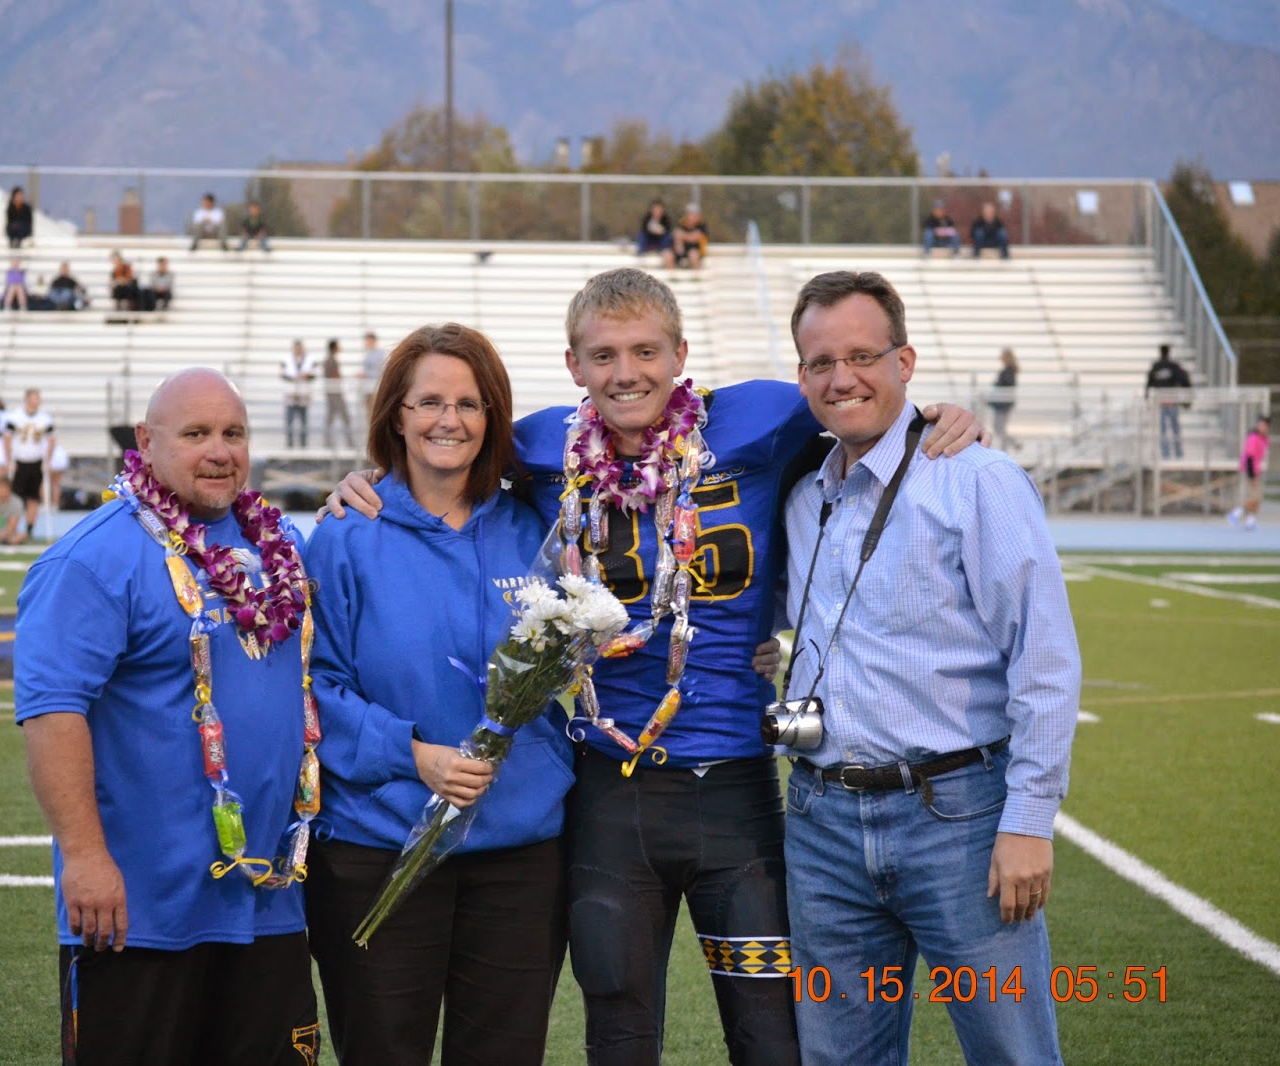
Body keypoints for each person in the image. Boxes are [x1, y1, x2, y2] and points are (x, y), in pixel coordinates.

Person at [328, 267, 984, 1065]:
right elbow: (441, 455)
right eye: (603, 355)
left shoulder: (758, 421)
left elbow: (855, 407)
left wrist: (936, 418)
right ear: (574, 368)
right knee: (620, 1027)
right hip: (615, 790)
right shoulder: (540, 447)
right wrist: (362, 484)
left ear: (681, 353)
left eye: (645, 351)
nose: (626, 372)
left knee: (772, 1032)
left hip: (737, 785)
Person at [778, 269, 1080, 1065]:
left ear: (905, 362)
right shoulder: (804, 493)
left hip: (958, 817)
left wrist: (1028, 821)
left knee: (1012, 1052)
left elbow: (1044, 661)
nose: (842, 378)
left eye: (862, 356)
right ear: (800, 375)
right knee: (839, 1059)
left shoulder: (976, 479)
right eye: (820, 363)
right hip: (822, 824)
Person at [15, 367, 318, 1065]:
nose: (220, 451)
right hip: (140, 909)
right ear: (145, 444)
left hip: (268, 896)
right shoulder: (93, 558)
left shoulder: (278, 548)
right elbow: (52, 713)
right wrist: (86, 860)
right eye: (196, 434)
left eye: (233, 433)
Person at [304, 323, 570, 1066]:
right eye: (429, 402)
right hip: (378, 844)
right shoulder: (343, 534)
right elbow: (311, 686)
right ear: (396, 414)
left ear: (493, 420)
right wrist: (411, 754)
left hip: (521, 851)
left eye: (470, 404)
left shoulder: (537, 530)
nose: (449, 420)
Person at [0, 388, 55, 535]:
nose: (37, 400)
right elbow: (7, 438)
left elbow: (51, 440)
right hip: (19, 461)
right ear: (27, 399)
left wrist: (48, 460)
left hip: (36, 461)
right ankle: (13, 528)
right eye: (34, 397)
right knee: (16, 498)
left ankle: (29, 530)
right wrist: (8, 460)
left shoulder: (45, 419)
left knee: (33, 497)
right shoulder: (15, 417)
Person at [1146, 342, 1192, 459]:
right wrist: (1188, 398)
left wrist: (1147, 397)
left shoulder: (1158, 367)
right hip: (1168, 402)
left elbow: (1149, 384)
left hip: (1165, 402)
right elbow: (1185, 381)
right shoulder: (1170, 366)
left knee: (1166, 429)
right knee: (1172, 428)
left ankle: (1169, 453)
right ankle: (1176, 453)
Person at [1228, 415, 1272, 530]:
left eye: (1265, 426)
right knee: (1253, 497)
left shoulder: (1264, 439)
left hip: (1256, 469)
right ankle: (1236, 514)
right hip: (1250, 469)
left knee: (1256, 498)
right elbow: (1249, 457)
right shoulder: (1253, 437)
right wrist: (1251, 475)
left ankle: (1249, 520)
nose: (1262, 427)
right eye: (1261, 425)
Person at [281, 340, 316, 449]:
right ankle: (290, 446)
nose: (298, 351)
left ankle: (303, 447)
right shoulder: (287, 360)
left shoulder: (310, 360)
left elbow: (314, 375)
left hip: (303, 396)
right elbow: (282, 374)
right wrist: (294, 377)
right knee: (290, 423)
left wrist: (305, 375)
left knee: (304, 424)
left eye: (300, 348)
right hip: (291, 396)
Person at [320, 338, 352, 450]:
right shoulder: (330, 360)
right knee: (344, 417)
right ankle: (348, 443)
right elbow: (334, 376)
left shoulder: (330, 359)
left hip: (333, 393)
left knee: (332, 418)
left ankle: (329, 443)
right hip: (335, 394)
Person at [990, 346, 1018, 447]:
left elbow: (1006, 384)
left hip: (1003, 403)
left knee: (999, 427)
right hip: (1003, 402)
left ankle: (1012, 444)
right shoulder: (1009, 370)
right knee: (999, 428)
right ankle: (1011, 444)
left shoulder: (1009, 371)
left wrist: (997, 384)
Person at [668, 202, 709, 269]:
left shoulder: (702, 225)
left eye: (693, 214)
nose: (690, 216)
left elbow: (695, 237)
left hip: (696, 251)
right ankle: (672, 276)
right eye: (689, 213)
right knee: (668, 254)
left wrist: (682, 236)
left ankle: (696, 277)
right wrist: (683, 237)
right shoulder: (682, 223)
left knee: (693, 254)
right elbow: (676, 234)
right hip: (682, 250)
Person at [359, 330, 386, 416]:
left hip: (375, 388)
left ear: (373, 341)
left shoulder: (380, 354)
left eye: (368, 341)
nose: (366, 343)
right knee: (369, 413)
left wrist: (365, 375)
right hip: (367, 388)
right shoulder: (368, 354)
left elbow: (379, 371)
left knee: (374, 413)